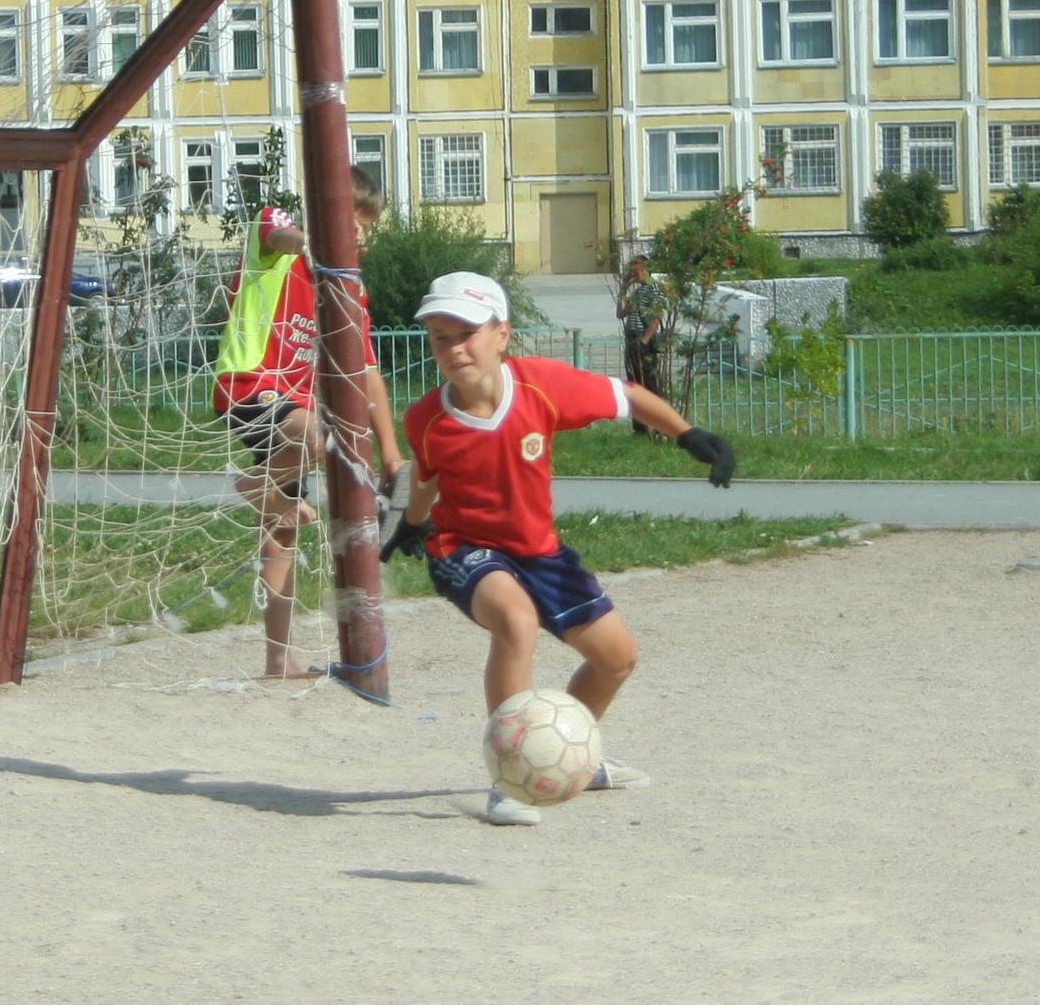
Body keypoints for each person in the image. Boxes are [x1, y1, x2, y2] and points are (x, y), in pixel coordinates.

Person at [383, 271, 735, 826]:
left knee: (617, 660)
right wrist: (412, 523)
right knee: (516, 622)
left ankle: (563, 756)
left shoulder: (542, 386)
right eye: (440, 337)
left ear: (502, 334)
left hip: (538, 551)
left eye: (466, 332)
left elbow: (629, 396)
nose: (453, 348)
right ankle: (509, 777)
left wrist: (689, 436)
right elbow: (427, 479)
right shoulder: (425, 417)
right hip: (462, 548)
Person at [210, 169, 405, 680]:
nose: (359, 232)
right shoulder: (283, 240)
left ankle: (278, 657)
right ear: (322, 217)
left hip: (294, 414)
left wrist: (390, 454)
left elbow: (366, 373)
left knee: (282, 534)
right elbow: (277, 234)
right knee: (319, 432)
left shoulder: (350, 289)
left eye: (368, 224)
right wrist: (310, 243)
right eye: (350, 220)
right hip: (251, 389)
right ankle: (256, 485)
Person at [615, 263, 666, 436]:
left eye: (637, 271)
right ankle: (640, 428)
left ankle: (658, 426)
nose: (634, 275)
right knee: (634, 384)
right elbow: (621, 313)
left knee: (649, 384)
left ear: (646, 271)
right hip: (631, 340)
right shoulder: (638, 292)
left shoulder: (655, 290)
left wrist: (644, 340)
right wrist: (623, 288)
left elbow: (657, 316)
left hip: (642, 339)